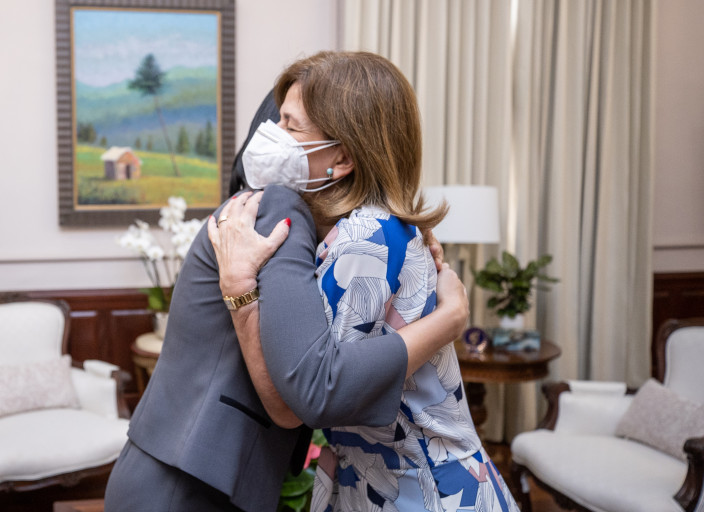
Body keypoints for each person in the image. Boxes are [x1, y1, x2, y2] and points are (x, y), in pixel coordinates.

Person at [103, 83, 470, 511]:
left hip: (178, 470)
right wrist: (448, 319)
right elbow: (305, 395)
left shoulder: (296, 220)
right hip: (186, 480)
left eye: (290, 125)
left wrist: (409, 255)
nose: (276, 135)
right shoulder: (276, 209)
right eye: (282, 122)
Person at [207, 51, 519, 511]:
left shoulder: (367, 235)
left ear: (343, 157)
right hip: (378, 479)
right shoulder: (360, 231)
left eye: (291, 126)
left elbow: (310, 395)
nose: (272, 135)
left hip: (424, 490)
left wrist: (240, 292)